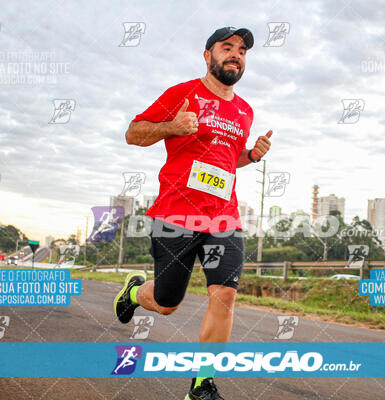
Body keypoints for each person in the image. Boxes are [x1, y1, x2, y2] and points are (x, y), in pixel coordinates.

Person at [113, 26, 273, 400]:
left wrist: (251, 155)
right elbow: (133, 133)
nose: (236, 54)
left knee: (225, 296)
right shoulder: (182, 93)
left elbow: (226, 161)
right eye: (227, 47)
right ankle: (135, 292)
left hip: (224, 218)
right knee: (167, 304)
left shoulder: (244, 110)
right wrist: (172, 126)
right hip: (175, 215)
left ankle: (202, 384)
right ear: (208, 55)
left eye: (242, 51)